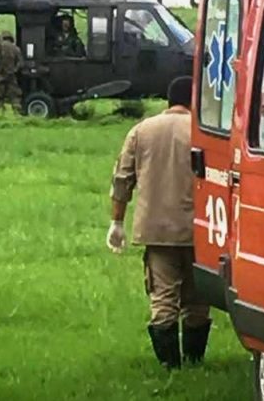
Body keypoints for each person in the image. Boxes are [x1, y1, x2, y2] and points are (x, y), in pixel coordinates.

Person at [105, 76, 210, 369]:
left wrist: (117, 222)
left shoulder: (141, 131)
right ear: (193, 100)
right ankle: (195, 359)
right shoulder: (204, 132)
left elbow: (122, 179)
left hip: (157, 229)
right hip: (200, 229)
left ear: (168, 100)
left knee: (163, 296)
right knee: (198, 297)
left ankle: (169, 365)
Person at [0, 30, 23, 113]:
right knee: (15, 94)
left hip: (0, 74)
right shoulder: (16, 48)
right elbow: (20, 63)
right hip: (11, 74)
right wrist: (14, 70)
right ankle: (17, 111)